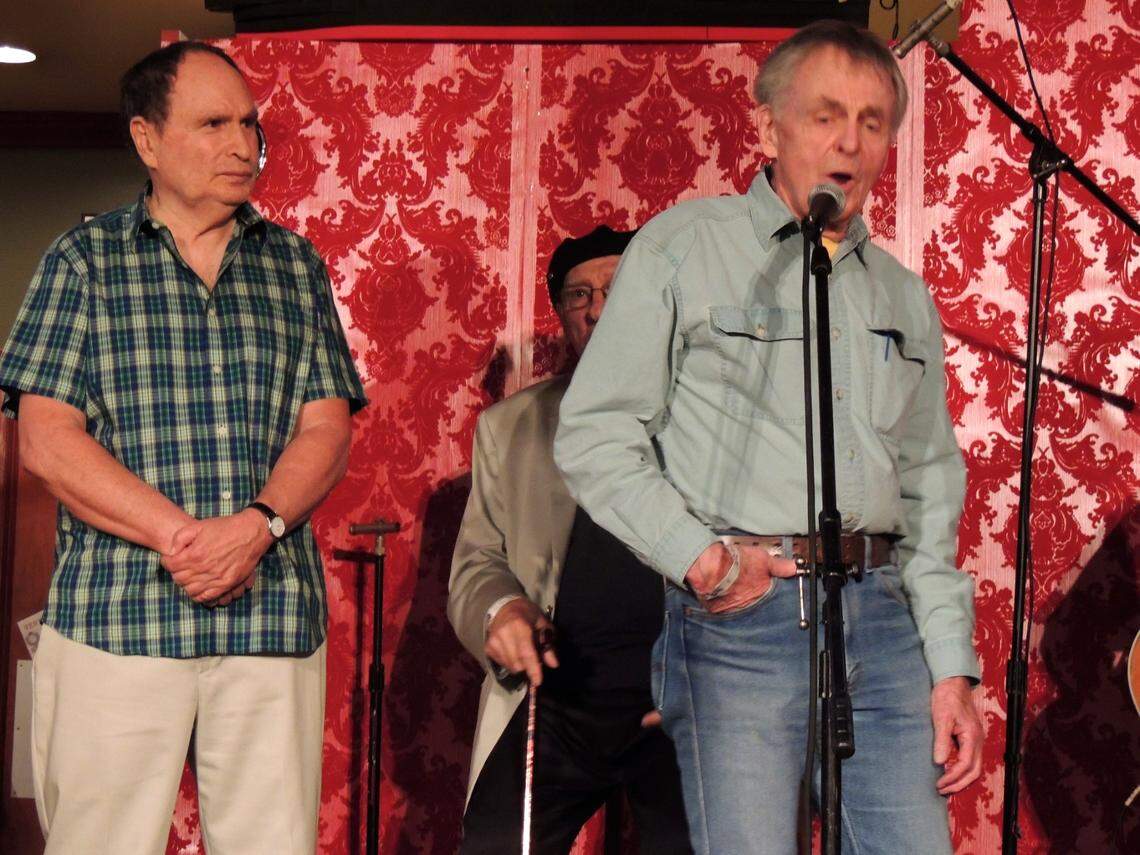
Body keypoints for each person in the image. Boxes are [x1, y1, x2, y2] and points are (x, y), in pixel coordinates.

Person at [553, 21, 984, 855]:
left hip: (885, 622)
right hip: (740, 626)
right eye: (825, 115)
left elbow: (931, 483)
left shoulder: (900, 293)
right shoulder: (686, 246)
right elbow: (595, 434)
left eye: (870, 121)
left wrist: (951, 666)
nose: (848, 142)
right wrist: (703, 560)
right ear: (767, 127)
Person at [0, 42, 366, 855]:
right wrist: (183, 537)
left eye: (248, 123)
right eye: (212, 124)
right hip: (115, 617)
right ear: (147, 140)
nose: (243, 145)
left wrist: (258, 525)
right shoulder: (83, 261)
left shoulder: (294, 266)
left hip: (267, 614)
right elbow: (47, 439)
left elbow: (327, 427)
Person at [448, 226, 692, 855]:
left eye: (616, 288)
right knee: (495, 841)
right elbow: (478, 560)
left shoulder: (707, 417)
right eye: (578, 294)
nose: (596, 306)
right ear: (562, 314)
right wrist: (502, 609)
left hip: (678, 694)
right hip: (556, 697)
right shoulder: (510, 427)